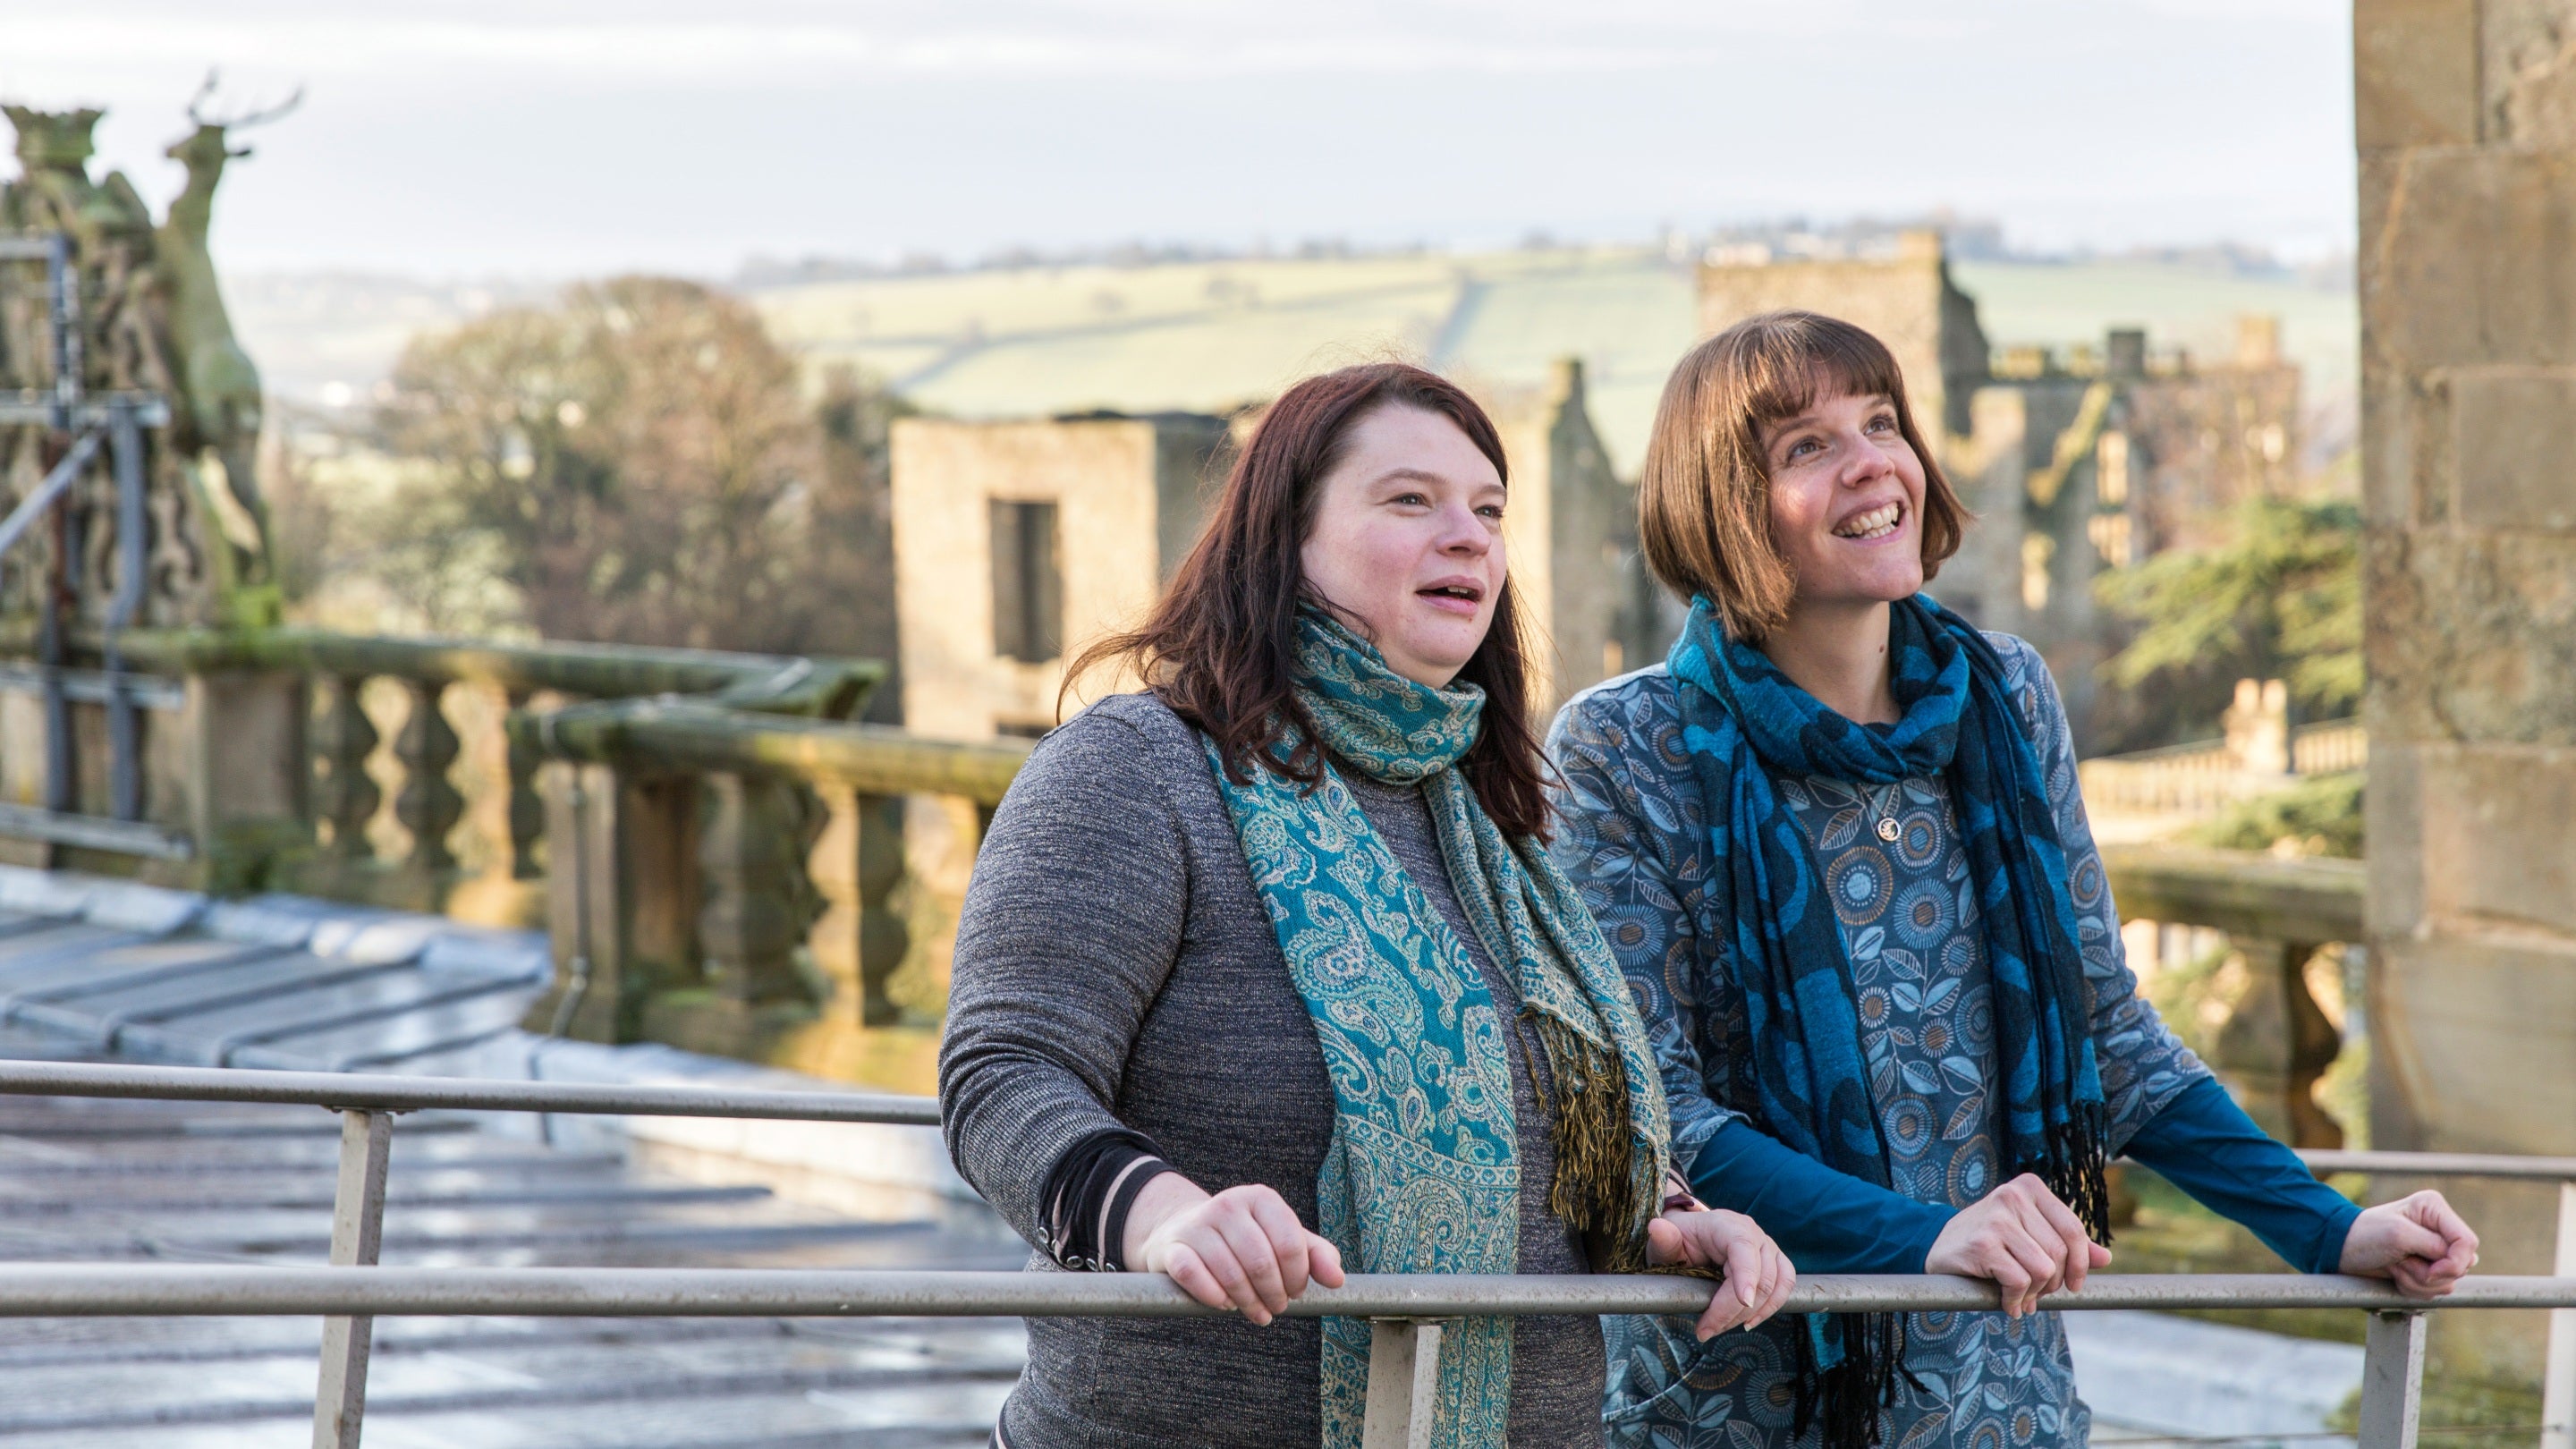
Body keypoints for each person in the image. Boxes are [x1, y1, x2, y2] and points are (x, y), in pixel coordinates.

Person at [1546, 311, 2480, 1449]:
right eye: (1805, 446)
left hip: (2003, 1397)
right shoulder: (1623, 743)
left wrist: (2329, 1232)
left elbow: (2104, 1030)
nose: (1872, 461)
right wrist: (1924, 1235)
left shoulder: (2004, 697)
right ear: (1721, 506)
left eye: (1881, 421)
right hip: (1743, 1402)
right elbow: (1650, 1115)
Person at [939, 361, 1798, 1449]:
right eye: (1411, 500)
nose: (1472, 537)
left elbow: (1524, 1103)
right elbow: (1001, 1077)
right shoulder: (1136, 773)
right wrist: (1165, 1220)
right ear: (1283, 540)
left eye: (1489, 510)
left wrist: (1663, 1217)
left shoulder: (1490, 820)